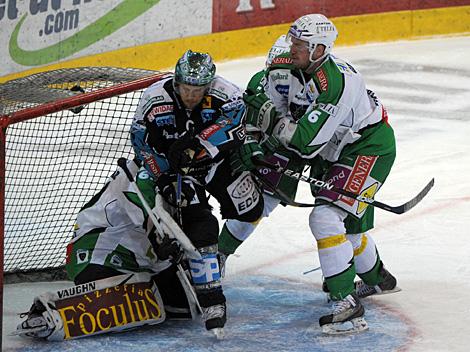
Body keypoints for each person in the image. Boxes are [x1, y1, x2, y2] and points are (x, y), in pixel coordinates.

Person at [242, 14, 398, 334]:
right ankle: (379, 279)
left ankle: (347, 306)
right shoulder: (301, 61)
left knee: (325, 219)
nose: (292, 49)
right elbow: (262, 81)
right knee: (349, 230)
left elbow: (305, 144)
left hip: (367, 148)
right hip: (339, 148)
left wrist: (271, 120)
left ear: (319, 49)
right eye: (293, 41)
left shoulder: (335, 86)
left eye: (299, 44)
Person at [130, 50, 264, 333]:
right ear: (176, 83)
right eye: (186, 89)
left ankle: (219, 257)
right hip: (176, 171)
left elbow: (234, 124)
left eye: (198, 90)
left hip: (214, 164)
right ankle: (212, 298)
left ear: (208, 85)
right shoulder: (154, 98)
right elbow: (141, 143)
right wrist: (162, 176)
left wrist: (195, 144)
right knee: (203, 225)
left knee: (251, 207)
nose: (191, 96)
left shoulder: (226, 92)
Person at [16, 159, 192, 340]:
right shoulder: (134, 177)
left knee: (182, 308)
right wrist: (161, 249)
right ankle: (50, 312)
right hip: (97, 255)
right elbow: (147, 219)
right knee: (122, 306)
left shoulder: (177, 180)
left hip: (136, 263)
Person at [218, 35, 312, 257]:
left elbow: (304, 133)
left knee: (259, 204)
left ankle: (219, 254)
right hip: (249, 150)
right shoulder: (258, 81)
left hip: (286, 155)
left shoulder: (308, 87)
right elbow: (247, 122)